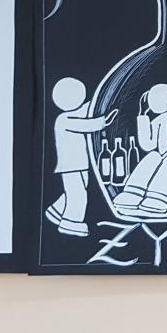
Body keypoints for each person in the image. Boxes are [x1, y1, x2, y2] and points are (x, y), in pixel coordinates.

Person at [46, 77, 117, 237]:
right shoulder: (64, 120)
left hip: (79, 164)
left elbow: (86, 111)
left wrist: (98, 103)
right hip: (71, 165)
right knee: (78, 194)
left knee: (76, 190)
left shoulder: (70, 115)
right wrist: (103, 121)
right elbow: (87, 125)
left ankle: (57, 212)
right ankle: (71, 222)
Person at [114, 83, 167, 216]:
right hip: (164, 160)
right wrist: (143, 115)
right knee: (153, 156)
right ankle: (133, 192)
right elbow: (147, 145)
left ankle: (160, 196)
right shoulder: (158, 120)